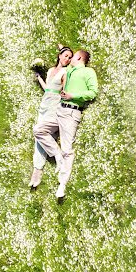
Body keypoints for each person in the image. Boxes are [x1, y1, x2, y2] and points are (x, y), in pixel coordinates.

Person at [33, 49, 98, 199]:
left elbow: (93, 92)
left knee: (67, 150)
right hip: (59, 109)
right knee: (38, 129)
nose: (70, 59)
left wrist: (72, 95)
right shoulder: (69, 70)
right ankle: (56, 154)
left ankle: (62, 184)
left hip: (71, 113)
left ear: (79, 58)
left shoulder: (88, 72)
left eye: (73, 57)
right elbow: (61, 62)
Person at [28, 45, 73, 189]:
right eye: (66, 55)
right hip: (45, 104)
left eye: (70, 57)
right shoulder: (50, 71)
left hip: (55, 105)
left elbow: (64, 90)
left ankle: (56, 156)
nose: (68, 59)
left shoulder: (65, 72)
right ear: (59, 56)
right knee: (39, 138)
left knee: (41, 132)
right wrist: (38, 77)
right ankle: (37, 171)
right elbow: (47, 88)